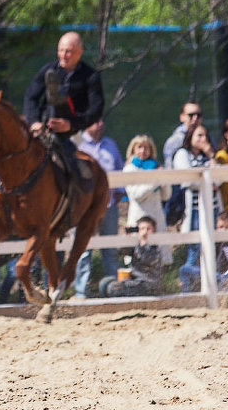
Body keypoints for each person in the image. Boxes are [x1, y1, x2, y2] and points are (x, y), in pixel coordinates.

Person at [23, 31, 104, 186]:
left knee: (71, 166)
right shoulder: (48, 70)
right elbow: (30, 97)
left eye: (68, 51)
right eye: (60, 50)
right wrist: (34, 122)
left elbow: (96, 110)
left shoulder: (91, 76)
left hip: (73, 131)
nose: (63, 55)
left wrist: (71, 124)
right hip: (43, 128)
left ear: (79, 53)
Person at [72, 119, 123, 299]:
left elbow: (119, 168)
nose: (101, 124)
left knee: (110, 249)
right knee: (82, 250)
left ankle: (113, 290)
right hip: (84, 208)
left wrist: (119, 191)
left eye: (102, 120)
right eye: (96, 121)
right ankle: (81, 291)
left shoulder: (111, 144)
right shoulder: (76, 145)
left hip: (109, 205)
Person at [173, 122, 221, 293]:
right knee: (194, 253)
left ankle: (209, 287)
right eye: (199, 136)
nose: (203, 139)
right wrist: (207, 181)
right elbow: (188, 180)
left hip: (213, 209)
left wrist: (210, 154)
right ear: (190, 137)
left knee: (211, 251)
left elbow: (219, 180)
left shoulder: (209, 156)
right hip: (193, 211)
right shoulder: (182, 154)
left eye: (205, 136)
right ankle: (189, 289)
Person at [122, 134, 171, 265]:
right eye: (139, 147)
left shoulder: (155, 166)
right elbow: (136, 195)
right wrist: (155, 180)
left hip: (156, 216)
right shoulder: (129, 169)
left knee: (158, 257)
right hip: (139, 216)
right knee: (137, 257)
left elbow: (166, 196)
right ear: (133, 149)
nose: (143, 151)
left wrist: (163, 179)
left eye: (146, 148)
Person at [98, 216, 163, 298]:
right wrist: (127, 239)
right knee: (104, 283)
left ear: (154, 231)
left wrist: (143, 243)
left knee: (113, 288)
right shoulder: (137, 244)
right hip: (134, 281)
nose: (145, 232)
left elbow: (147, 259)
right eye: (142, 229)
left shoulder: (155, 247)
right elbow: (122, 252)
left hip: (149, 284)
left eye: (148, 229)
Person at [162, 101, 203, 169]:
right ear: (182, 117)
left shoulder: (207, 137)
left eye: (198, 115)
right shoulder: (175, 140)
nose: (195, 118)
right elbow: (168, 167)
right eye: (191, 115)